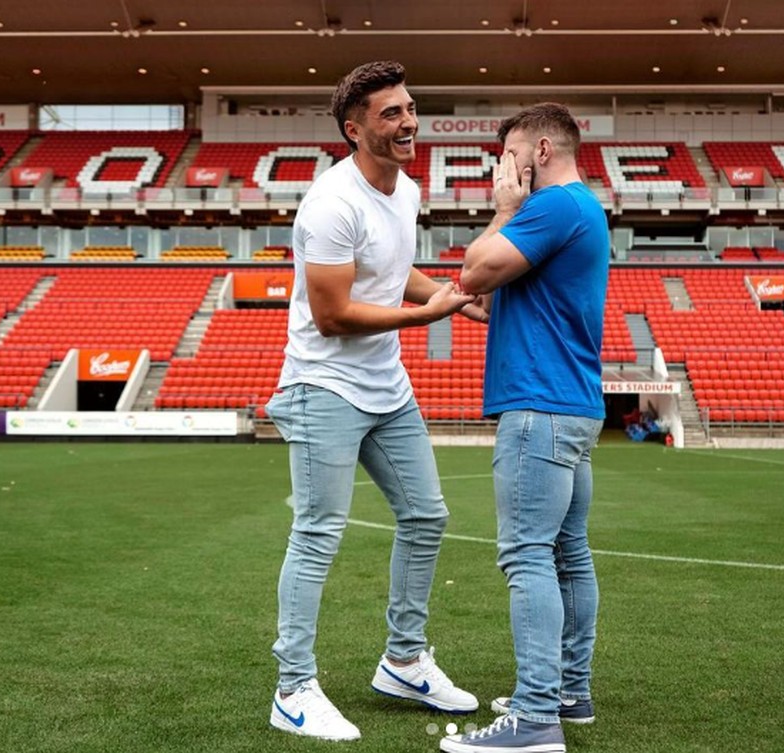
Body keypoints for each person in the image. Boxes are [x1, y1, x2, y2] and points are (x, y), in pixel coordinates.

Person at [265, 60, 483, 742]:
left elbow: (391, 270)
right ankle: (292, 687)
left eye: (410, 107)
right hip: (322, 385)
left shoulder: (407, 191)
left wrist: (448, 296)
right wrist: (428, 317)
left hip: (386, 388)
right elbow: (331, 314)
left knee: (427, 515)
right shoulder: (331, 203)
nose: (408, 121)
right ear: (354, 129)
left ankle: (404, 658)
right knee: (318, 533)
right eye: (391, 113)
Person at [440, 103, 610, 753]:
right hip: (569, 405)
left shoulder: (553, 206)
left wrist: (506, 206)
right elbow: (488, 295)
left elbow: (475, 271)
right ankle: (569, 689)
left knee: (528, 554)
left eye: (508, 153)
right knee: (568, 553)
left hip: (539, 408)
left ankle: (537, 718)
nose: (501, 166)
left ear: (540, 149)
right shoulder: (580, 208)